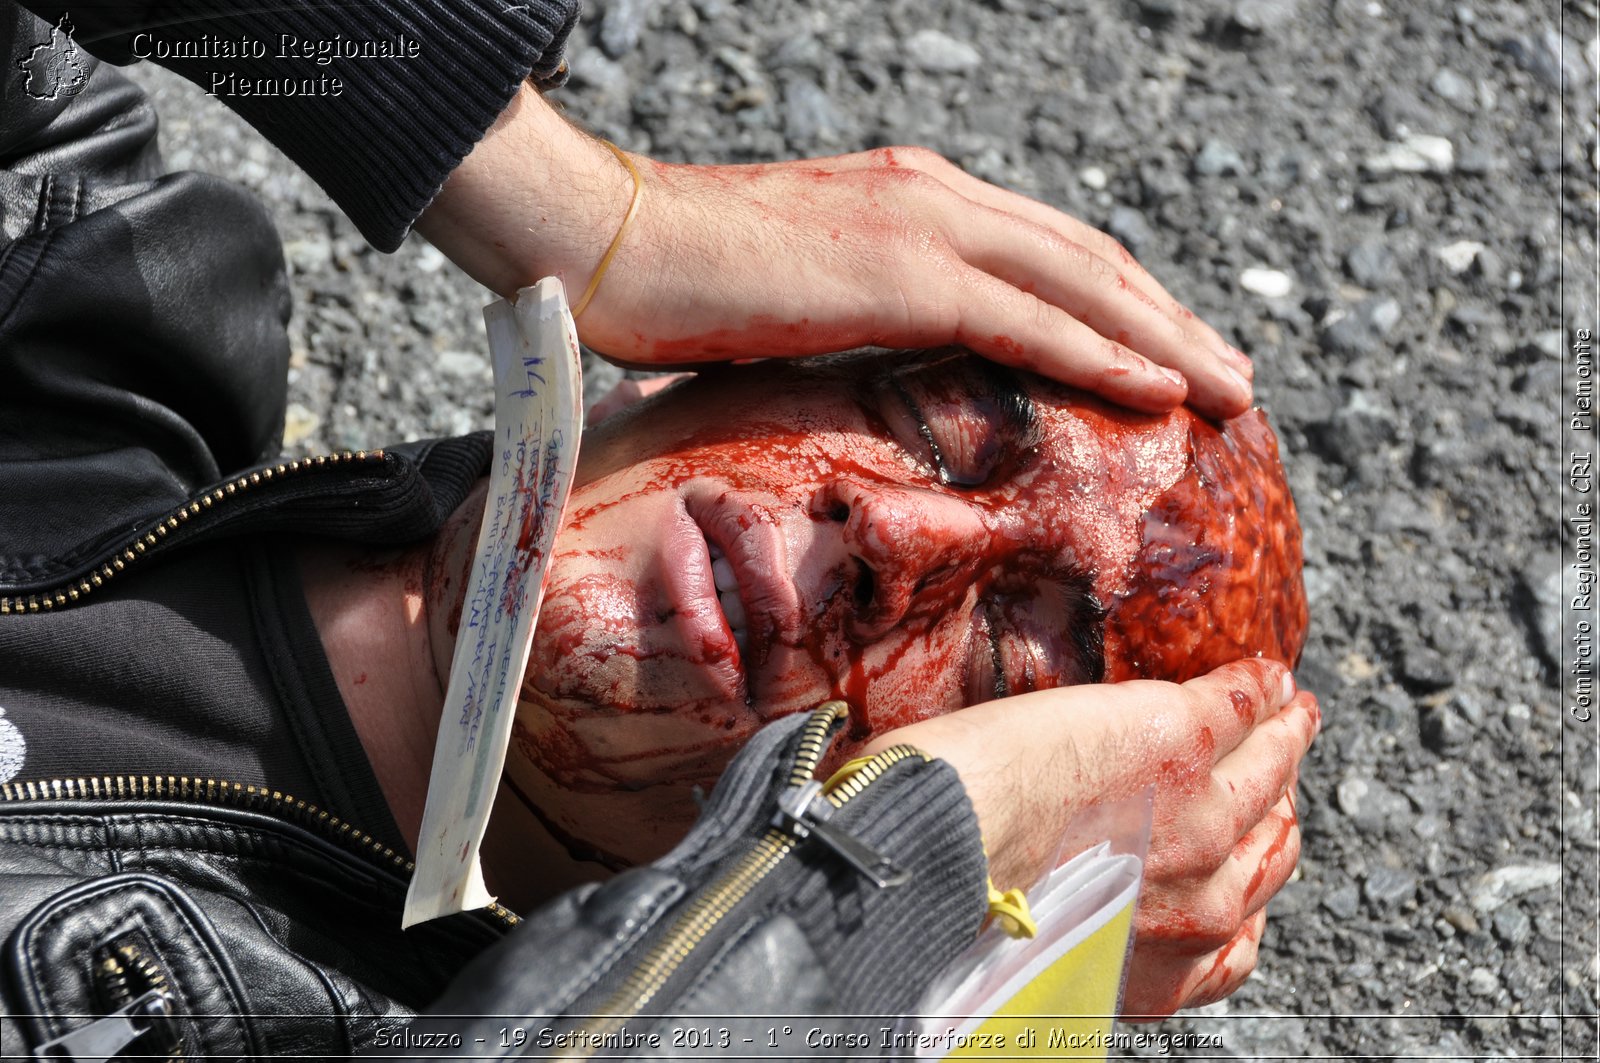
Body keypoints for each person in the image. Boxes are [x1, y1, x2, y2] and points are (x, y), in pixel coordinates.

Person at [0, 2, 1314, 1056]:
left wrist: (872, 899)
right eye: (934, 428)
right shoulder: (75, 277)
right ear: (716, 350)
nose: (903, 534)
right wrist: (562, 191)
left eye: (1011, 659)